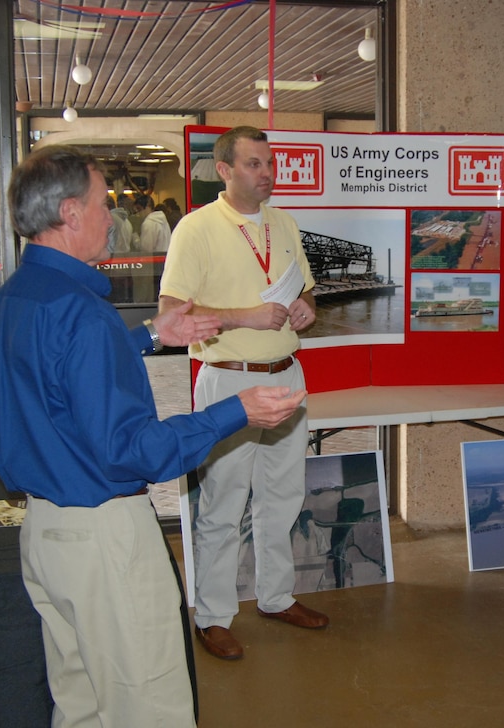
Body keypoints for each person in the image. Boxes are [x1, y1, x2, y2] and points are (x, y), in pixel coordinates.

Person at [0, 144, 306, 727]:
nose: (114, 216)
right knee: (147, 706)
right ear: (71, 214)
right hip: (105, 539)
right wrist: (236, 411)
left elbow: (63, 380)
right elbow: (135, 451)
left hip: (47, 534)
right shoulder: (82, 313)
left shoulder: (15, 297)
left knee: (81, 703)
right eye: (104, 204)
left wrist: (152, 332)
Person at [159, 125, 324, 662]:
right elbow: (170, 317)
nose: (267, 174)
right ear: (224, 170)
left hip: (286, 374)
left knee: (283, 497)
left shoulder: (286, 223)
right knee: (223, 502)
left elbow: (306, 287)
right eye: (254, 164)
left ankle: (276, 598)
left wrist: (308, 307)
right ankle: (212, 616)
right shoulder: (195, 229)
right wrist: (242, 316)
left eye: (270, 163)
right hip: (228, 379)